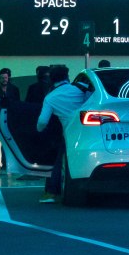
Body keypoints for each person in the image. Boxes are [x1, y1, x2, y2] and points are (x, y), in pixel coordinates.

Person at [35, 65, 89, 203]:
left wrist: (39, 130)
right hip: (91, 130)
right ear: (67, 77)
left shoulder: (50, 98)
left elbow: (42, 121)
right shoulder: (82, 88)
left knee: (61, 160)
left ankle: (52, 191)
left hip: (70, 132)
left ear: (51, 80)